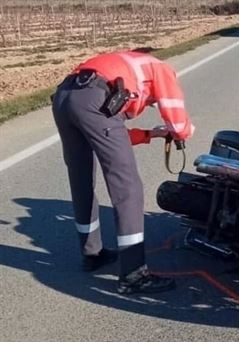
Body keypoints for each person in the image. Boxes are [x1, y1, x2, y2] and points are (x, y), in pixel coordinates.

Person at [51, 50, 195, 294]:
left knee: (81, 181)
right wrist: (183, 131)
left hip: (65, 97)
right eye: (151, 102)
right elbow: (176, 117)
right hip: (93, 100)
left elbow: (110, 135)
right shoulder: (161, 69)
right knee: (128, 188)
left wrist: (151, 134)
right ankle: (134, 275)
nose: (149, 103)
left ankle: (92, 254)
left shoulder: (120, 66)